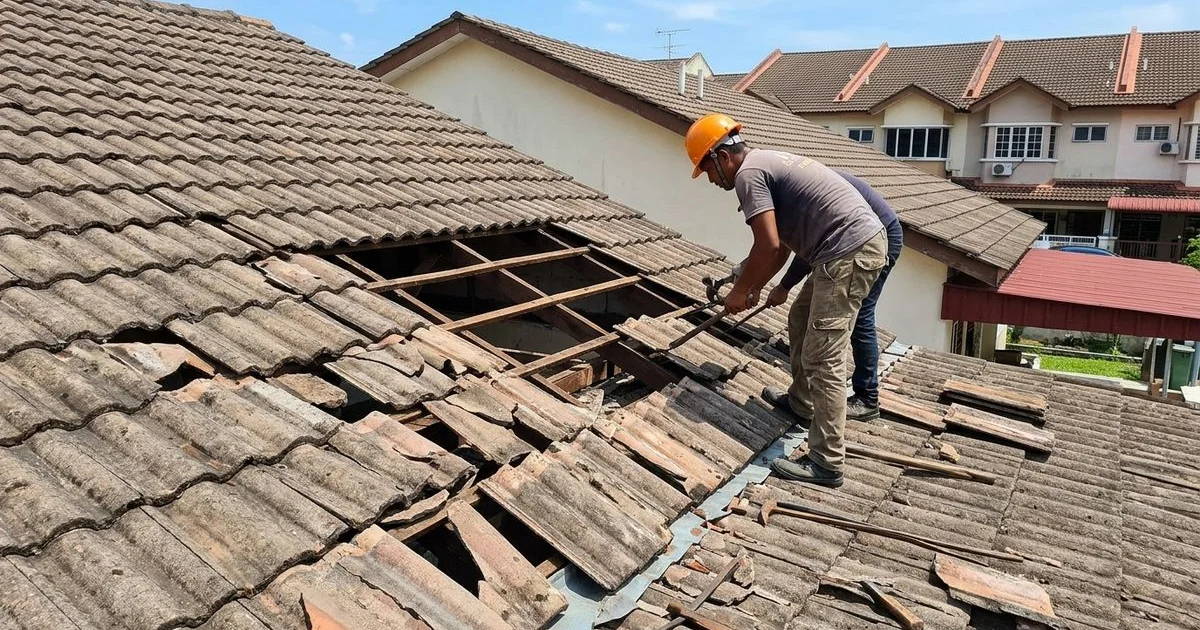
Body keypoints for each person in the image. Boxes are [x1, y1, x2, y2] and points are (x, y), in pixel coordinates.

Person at [685, 113, 886, 488]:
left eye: (708, 172)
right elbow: (777, 250)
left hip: (848, 253)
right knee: (799, 318)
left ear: (720, 158)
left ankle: (826, 462)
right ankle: (801, 402)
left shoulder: (748, 176)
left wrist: (741, 291)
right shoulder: (764, 163)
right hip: (841, 251)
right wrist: (754, 282)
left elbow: (770, 245)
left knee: (823, 356)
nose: (712, 181)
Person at [764, 170, 903, 421]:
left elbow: (804, 252)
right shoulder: (791, 188)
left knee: (858, 315)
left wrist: (784, 286)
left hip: (878, 236)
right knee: (801, 314)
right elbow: (794, 244)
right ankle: (801, 400)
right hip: (848, 242)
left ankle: (867, 397)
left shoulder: (800, 193)